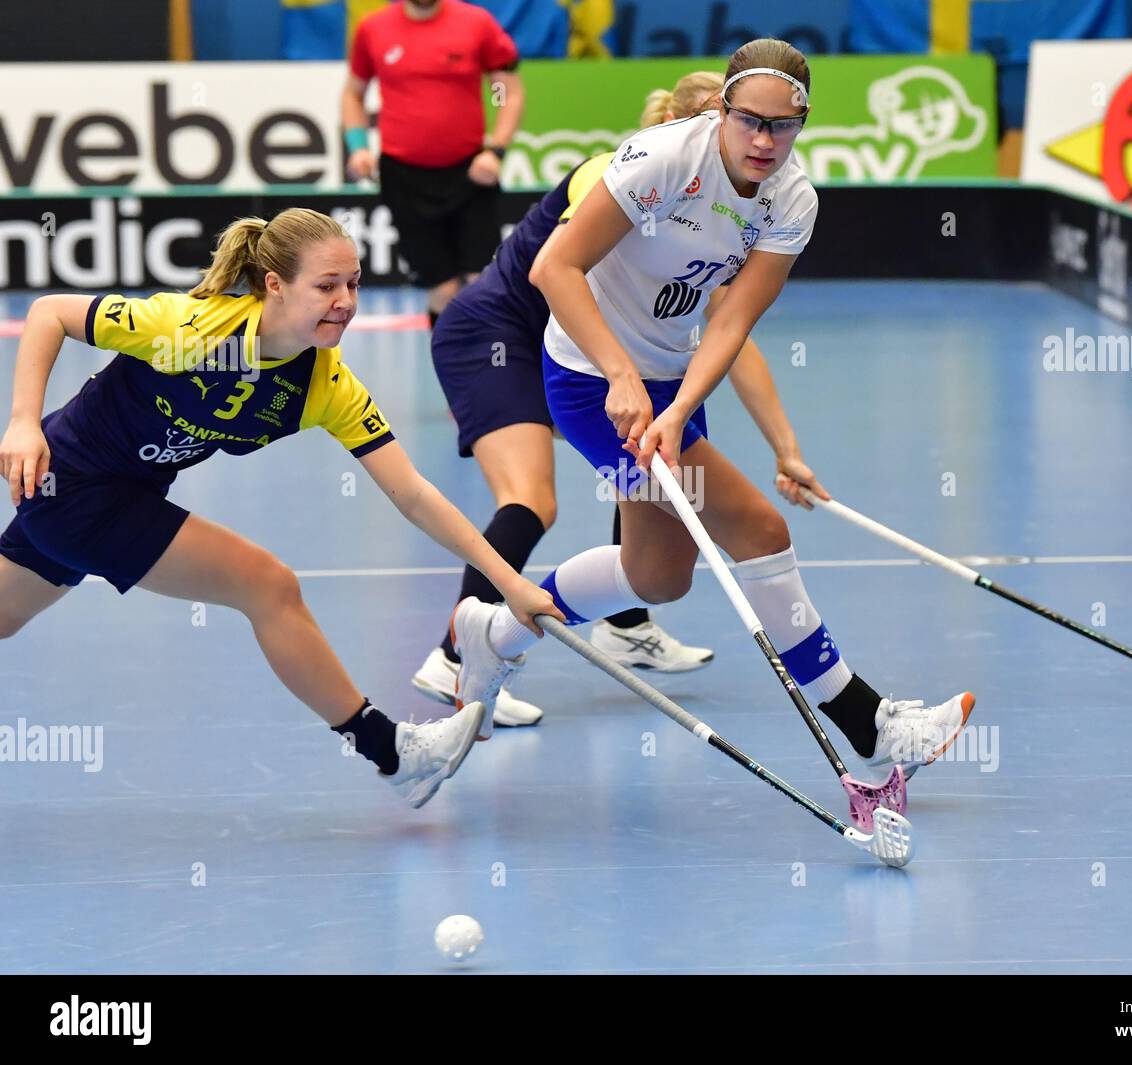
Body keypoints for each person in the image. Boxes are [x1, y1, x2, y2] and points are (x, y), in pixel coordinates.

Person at [445, 39, 975, 783]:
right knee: (759, 529)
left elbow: (729, 324)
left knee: (658, 573)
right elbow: (552, 266)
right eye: (749, 120)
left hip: (667, 378)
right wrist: (621, 376)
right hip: (589, 377)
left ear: (803, 121)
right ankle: (869, 725)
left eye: (783, 126)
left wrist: (682, 404)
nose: (764, 140)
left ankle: (492, 632)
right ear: (723, 109)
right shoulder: (659, 161)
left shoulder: (793, 200)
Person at [0, 208, 561, 807]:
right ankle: (394, 753)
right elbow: (48, 312)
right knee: (268, 586)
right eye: (326, 286)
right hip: (71, 485)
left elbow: (415, 495)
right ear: (275, 284)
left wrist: (509, 583)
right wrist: (22, 422)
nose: (344, 301)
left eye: (353, 283)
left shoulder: (323, 385)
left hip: (122, 493)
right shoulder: (189, 328)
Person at [413, 74, 744, 726]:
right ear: (678, 126)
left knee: (640, 453)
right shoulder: (618, 175)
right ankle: (454, 656)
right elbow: (568, 277)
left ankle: (622, 623)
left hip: (556, 343)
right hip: (494, 336)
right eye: (717, 125)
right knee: (532, 498)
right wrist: (622, 374)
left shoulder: (704, 206)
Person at [342, 0, 523, 328]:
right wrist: (358, 147)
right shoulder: (374, 29)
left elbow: (504, 89)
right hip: (404, 177)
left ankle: (493, 366)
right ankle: (452, 371)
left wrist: (495, 149)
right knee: (442, 288)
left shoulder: (476, 23)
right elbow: (354, 93)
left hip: (470, 175)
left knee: (482, 280)